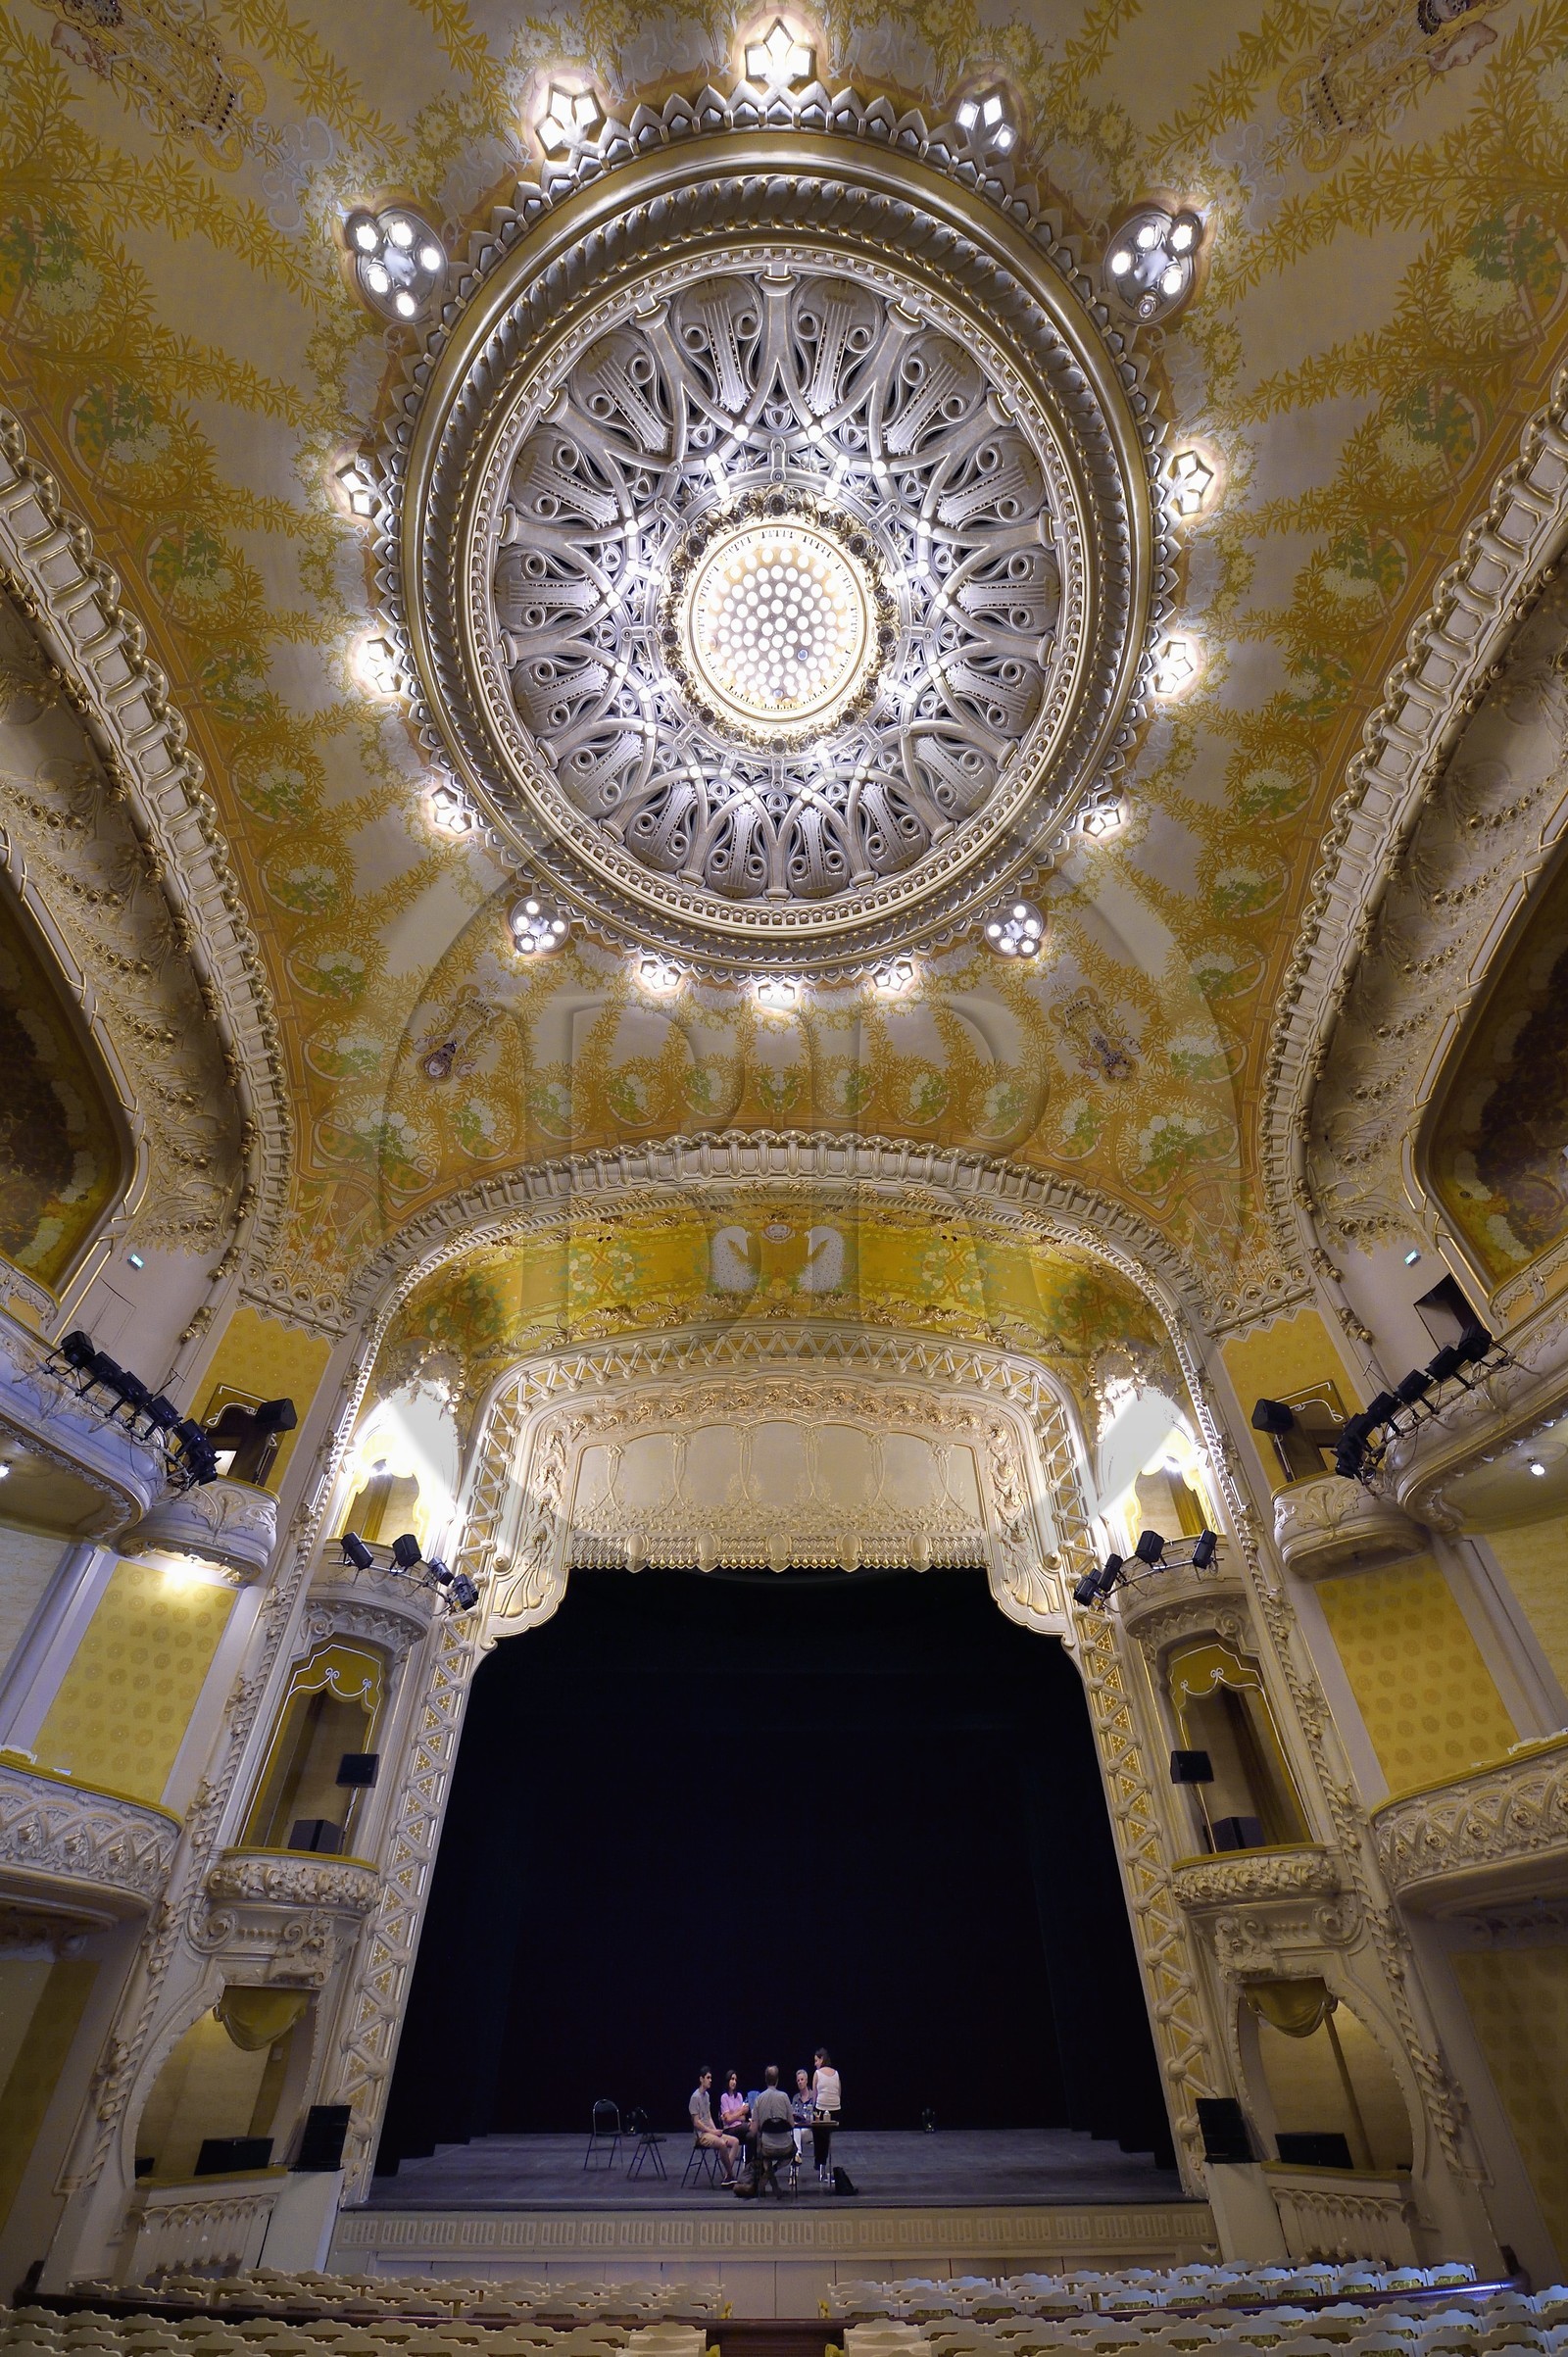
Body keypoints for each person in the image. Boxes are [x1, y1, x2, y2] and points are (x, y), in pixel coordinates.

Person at [689, 2067, 739, 2184]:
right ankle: (731, 2175)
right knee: (722, 2143)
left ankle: (727, 2175)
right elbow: (696, 2122)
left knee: (735, 2142)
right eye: (708, 2078)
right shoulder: (695, 2097)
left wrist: (715, 2130)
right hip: (701, 2135)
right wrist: (712, 2132)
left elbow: (709, 2116)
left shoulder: (706, 2095)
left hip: (710, 2132)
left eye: (711, 2078)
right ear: (701, 2079)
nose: (710, 2080)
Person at [752, 2064, 796, 2197]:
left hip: (767, 2148)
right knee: (791, 2154)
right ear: (777, 2080)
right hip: (785, 2147)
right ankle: (774, 2182)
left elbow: (754, 2130)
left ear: (765, 2080)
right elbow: (792, 2124)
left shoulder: (759, 2099)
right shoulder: (785, 2097)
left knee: (765, 2155)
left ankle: (766, 2177)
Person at [810, 2045, 841, 2182]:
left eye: (816, 2061)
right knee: (825, 2134)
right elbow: (839, 2093)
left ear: (822, 2059)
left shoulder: (817, 2074)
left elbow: (814, 2097)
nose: (815, 2064)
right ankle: (821, 2162)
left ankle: (819, 2162)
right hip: (836, 2111)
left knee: (817, 2132)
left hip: (822, 2110)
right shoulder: (836, 2073)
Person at [719, 2070, 751, 2140]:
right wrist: (740, 2111)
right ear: (728, 2080)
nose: (734, 2082)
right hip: (729, 2129)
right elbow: (728, 2120)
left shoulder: (739, 2096)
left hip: (740, 2126)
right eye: (732, 2079)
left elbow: (743, 2118)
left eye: (735, 2080)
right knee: (751, 2126)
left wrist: (732, 2116)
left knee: (751, 2136)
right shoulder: (724, 2097)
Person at [791, 2066, 813, 2160]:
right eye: (798, 2080)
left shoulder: (813, 2096)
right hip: (797, 2129)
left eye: (802, 2079)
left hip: (810, 2130)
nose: (800, 2082)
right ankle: (798, 2154)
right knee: (796, 2129)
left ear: (806, 2081)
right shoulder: (795, 2098)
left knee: (797, 2130)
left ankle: (797, 2154)